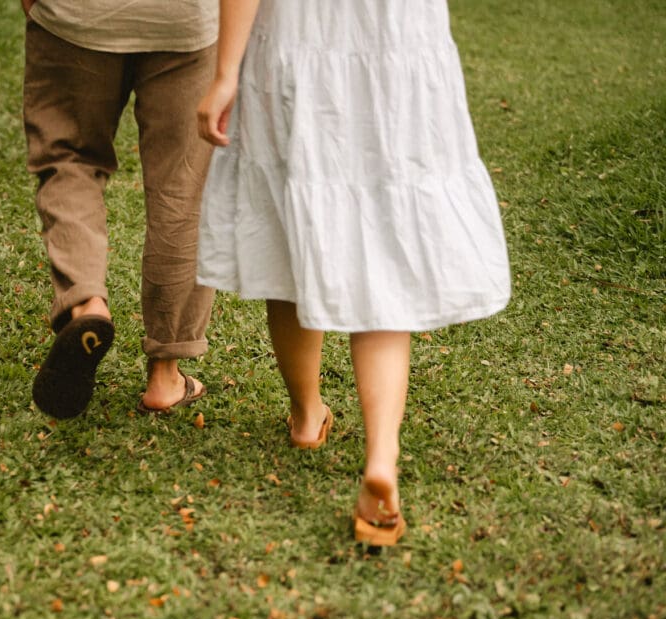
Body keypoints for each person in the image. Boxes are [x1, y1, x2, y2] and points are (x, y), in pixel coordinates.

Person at [196, 0, 511, 545]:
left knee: (289, 227)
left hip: (297, 43)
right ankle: (381, 457)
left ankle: (305, 416)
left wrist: (225, 73)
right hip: (397, 47)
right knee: (384, 247)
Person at [21, 0, 219, 419]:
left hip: (77, 14)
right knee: (181, 188)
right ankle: (165, 376)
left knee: (69, 158)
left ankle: (85, 303)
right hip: (184, 20)